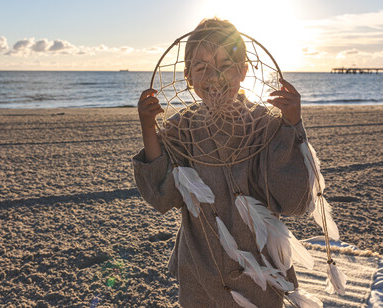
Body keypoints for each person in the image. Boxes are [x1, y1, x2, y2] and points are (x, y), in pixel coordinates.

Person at [133, 18, 310, 307]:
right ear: (189, 77)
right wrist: (147, 127)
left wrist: (292, 124)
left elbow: (292, 201)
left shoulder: (266, 124)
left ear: (243, 71)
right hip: (200, 272)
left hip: (261, 276)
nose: (215, 77)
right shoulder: (181, 129)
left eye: (226, 65)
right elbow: (163, 197)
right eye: (202, 67)